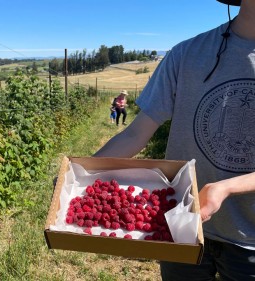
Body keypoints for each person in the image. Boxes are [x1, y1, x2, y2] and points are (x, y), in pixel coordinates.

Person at [94, 0, 255, 280]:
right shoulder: (187, 54)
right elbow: (136, 132)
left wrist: (226, 187)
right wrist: (79, 171)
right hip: (181, 223)